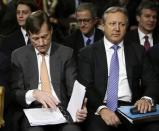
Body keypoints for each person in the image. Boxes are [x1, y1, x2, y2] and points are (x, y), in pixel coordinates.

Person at [77, 6, 159, 131]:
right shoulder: (87, 53)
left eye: (121, 24)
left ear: (126, 27)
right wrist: (102, 109)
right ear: (103, 26)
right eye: (112, 24)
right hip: (100, 108)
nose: (117, 28)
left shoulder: (138, 51)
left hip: (132, 107)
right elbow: (86, 86)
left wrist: (146, 98)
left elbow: (152, 81)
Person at [10, 10, 87, 131]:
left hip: (62, 110)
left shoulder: (66, 53)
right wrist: (34, 94)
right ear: (29, 35)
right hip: (33, 111)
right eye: (35, 38)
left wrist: (80, 107)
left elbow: (73, 89)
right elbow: (15, 93)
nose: (41, 43)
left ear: (51, 31)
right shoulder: (18, 56)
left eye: (44, 37)